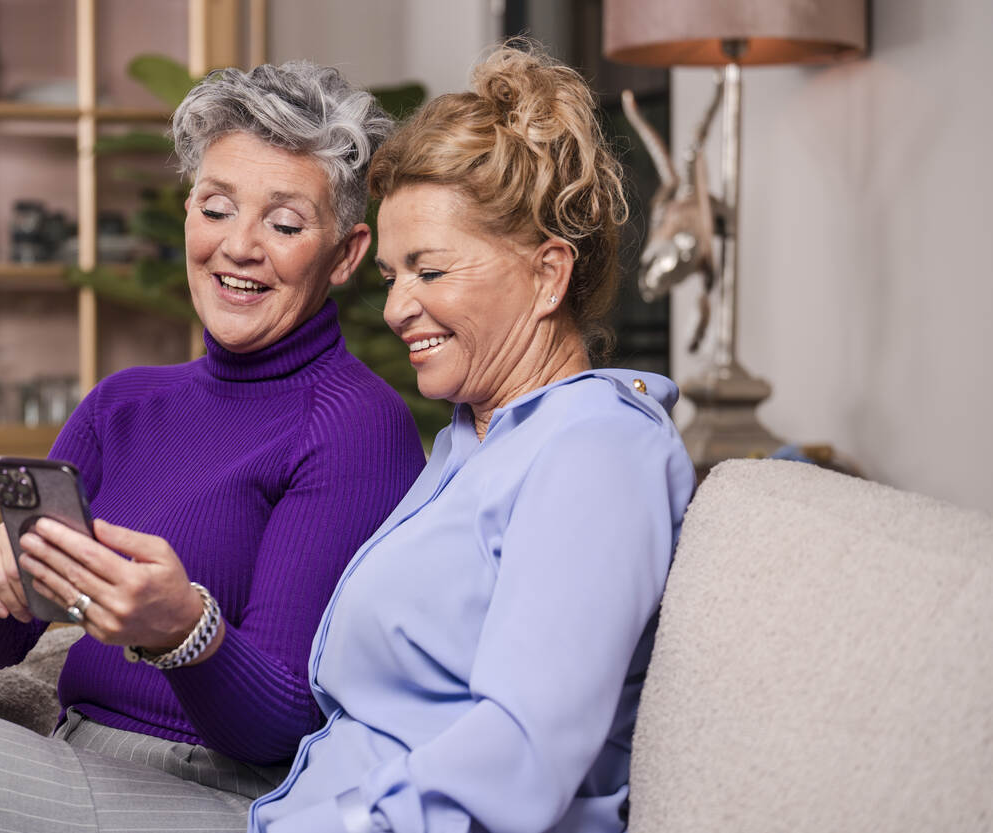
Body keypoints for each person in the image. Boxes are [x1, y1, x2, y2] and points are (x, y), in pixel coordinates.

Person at [0, 61, 424, 831]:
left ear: (344, 252)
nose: (240, 246)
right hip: (72, 762)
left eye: (285, 223)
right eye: (217, 207)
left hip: (223, 797)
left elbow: (284, 722)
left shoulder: (355, 423)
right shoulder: (122, 404)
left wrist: (184, 632)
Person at [248, 44, 695, 833]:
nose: (396, 309)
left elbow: (524, 752)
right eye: (392, 276)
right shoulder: (472, 438)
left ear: (548, 274)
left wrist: (344, 825)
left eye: (430, 270)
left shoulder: (595, 452)